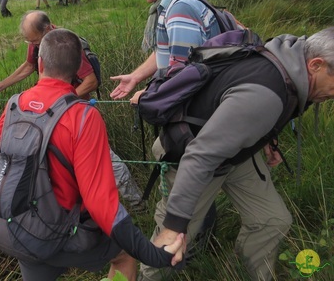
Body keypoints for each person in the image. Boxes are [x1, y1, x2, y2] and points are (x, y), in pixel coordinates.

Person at [136, 27, 334, 281]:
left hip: (233, 153)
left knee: (271, 220)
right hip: (193, 160)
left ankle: (240, 274)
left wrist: (266, 138)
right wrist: (175, 226)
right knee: (172, 245)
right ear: (316, 64)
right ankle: (145, 276)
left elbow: (244, 108)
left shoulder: (289, 58)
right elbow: (201, 155)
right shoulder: (265, 93)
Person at [0, 28, 184, 281]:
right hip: (64, 228)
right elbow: (99, 200)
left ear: (40, 63)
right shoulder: (82, 116)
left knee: (36, 262)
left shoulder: (14, 105)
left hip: (16, 224)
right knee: (124, 257)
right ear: (76, 70)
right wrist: (150, 254)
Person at [108, 0, 224, 280]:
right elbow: (168, 53)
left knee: (176, 194)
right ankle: (203, 242)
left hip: (194, 120)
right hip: (207, 116)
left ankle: (158, 267)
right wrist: (137, 75)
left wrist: (150, 96)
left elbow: (183, 73)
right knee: (205, 181)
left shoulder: (179, 9)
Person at [0, 10, 144, 209]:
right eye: (31, 43)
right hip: (49, 113)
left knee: (103, 157)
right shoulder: (39, 44)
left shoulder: (66, 45)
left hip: (74, 111)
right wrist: (2, 85)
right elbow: (29, 66)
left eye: (35, 42)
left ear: (47, 29)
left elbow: (91, 81)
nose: (33, 47)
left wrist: (60, 103)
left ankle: (136, 203)